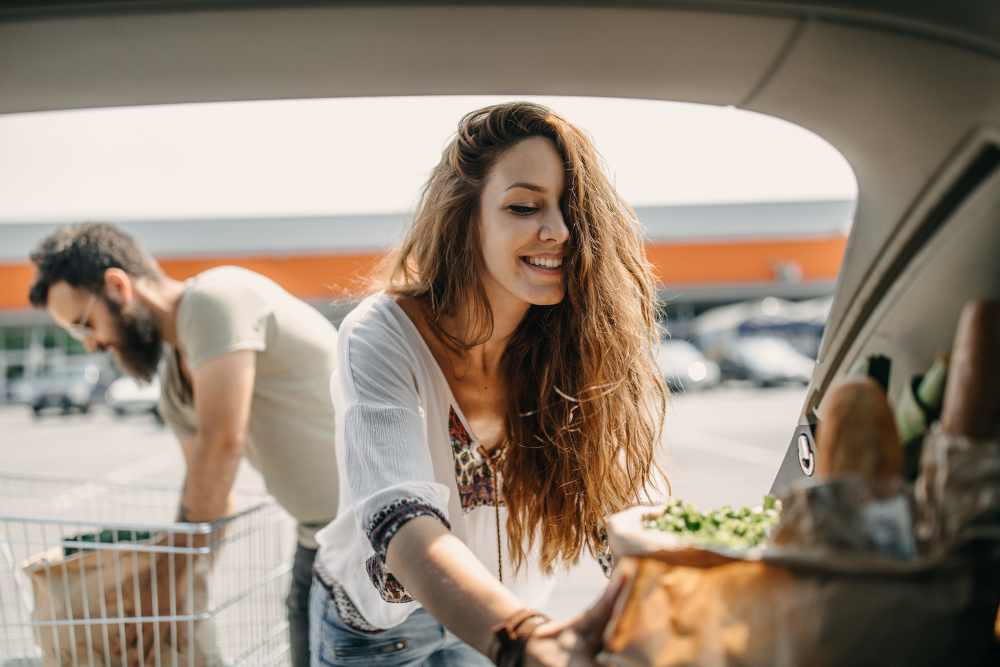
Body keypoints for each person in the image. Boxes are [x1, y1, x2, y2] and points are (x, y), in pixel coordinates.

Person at [310, 102, 668, 666]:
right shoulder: (381, 333)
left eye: (572, 210)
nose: (559, 231)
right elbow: (400, 525)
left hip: (505, 619)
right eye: (525, 206)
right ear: (467, 215)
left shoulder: (578, 347)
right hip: (383, 635)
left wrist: (680, 599)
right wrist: (525, 639)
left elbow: (623, 509)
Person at [27, 224, 339, 667]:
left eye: (84, 325)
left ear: (118, 286)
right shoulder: (174, 390)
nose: (93, 343)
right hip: (318, 545)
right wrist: (176, 604)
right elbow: (214, 498)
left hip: (381, 537)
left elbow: (221, 447)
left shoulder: (215, 300)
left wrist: (162, 587)